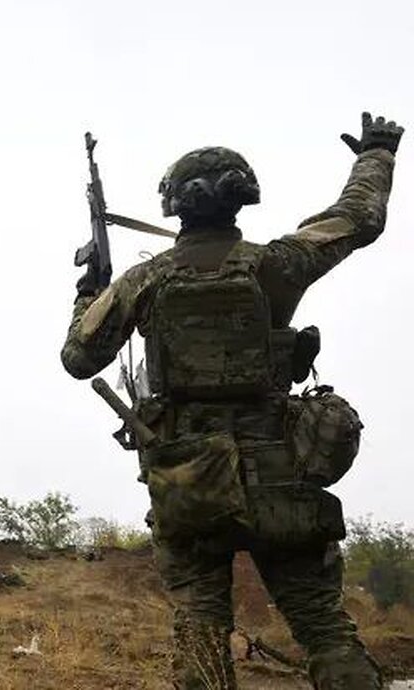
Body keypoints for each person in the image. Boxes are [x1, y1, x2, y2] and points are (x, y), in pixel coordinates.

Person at [61, 113, 401, 689]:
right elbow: (357, 219)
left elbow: (78, 359)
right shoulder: (278, 263)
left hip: (188, 480)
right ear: (242, 198)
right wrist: (376, 154)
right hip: (281, 474)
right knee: (325, 630)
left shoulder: (144, 282)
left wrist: (88, 291)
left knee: (199, 630)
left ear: (175, 206)